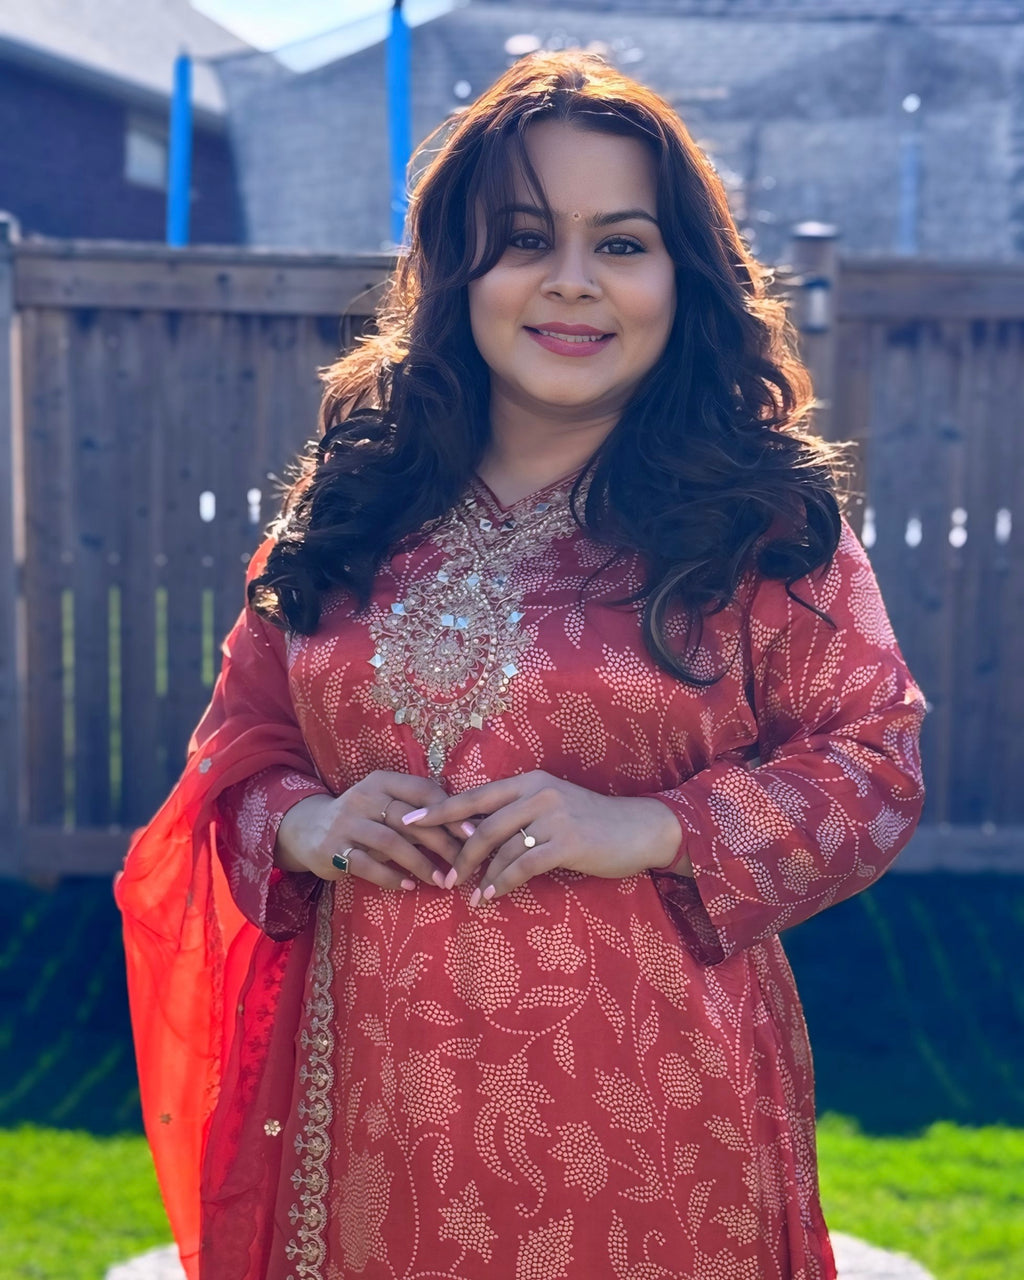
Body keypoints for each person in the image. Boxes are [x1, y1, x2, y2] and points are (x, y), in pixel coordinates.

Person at [117, 50, 925, 1280]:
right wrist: (311, 823)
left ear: (680, 275)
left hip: (656, 1119)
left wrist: (647, 824)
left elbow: (875, 761)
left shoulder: (758, 524)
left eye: (621, 242)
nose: (571, 283)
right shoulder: (348, 515)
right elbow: (238, 754)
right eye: (524, 238)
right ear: (459, 269)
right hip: (371, 1114)